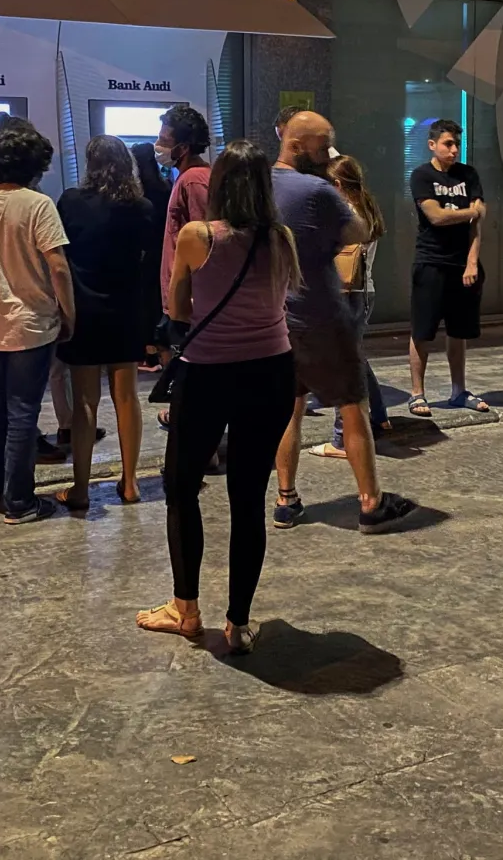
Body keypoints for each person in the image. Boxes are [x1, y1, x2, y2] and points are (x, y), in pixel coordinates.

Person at [136, 140, 300, 652]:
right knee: (248, 498)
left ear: (220, 184)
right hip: (272, 372)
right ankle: (239, 624)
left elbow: (179, 310)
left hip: (208, 374)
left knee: (182, 488)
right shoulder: (282, 238)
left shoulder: (197, 235)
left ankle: (185, 611)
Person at [272, 111, 420, 533]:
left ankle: (285, 500)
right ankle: (371, 503)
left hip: (278, 316)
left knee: (289, 410)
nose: (328, 156)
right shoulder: (318, 190)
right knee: (353, 406)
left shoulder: (260, 185)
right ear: (297, 145)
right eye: (322, 148)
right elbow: (361, 231)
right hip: (322, 314)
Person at [0, 117, 77, 525]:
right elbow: (58, 267)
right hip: (31, 324)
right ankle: (20, 501)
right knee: (23, 410)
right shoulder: (37, 204)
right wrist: (68, 314)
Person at [54, 135, 154, 506]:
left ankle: (80, 488)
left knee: (84, 402)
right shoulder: (141, 207)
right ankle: (130, 483)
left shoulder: (71, 201)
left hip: (84, 310)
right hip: (126, 309)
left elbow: (62, 253)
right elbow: (146, 257)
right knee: (126, 397)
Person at [309, 154, 391, 458]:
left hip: (345, 294)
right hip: (363, 291)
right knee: (355, 358)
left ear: (338, 184)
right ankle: (378, 416)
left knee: (342, 366)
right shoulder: (367, 207)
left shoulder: (345, 214)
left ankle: (341, 439)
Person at [407, 118, 490, 416]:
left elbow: (477, 225)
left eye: (457, 144)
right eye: (448, 144)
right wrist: (472, 211)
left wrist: (472, 262)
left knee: (459, 330)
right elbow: (436, 216)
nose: (454, 150)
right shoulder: (422, 176)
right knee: (422, 330)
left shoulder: (468, 174)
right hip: (431, 262)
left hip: (462, 264)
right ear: (432, 144)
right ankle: (417, 393)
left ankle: (459, 391)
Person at [155, 105, 213, 431]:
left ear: (184, 146)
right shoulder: (188, 177)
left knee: (192, 371)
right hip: (183, 295)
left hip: (190, 299)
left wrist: (190, 295)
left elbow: (205, 241)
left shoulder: (194, 180)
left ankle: (197, 435)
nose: (159, 145)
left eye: (165, 140)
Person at [132, 141, 171, 373]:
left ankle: (146, 352)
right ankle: (160, 349)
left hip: (144, 256)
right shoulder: (166, 187)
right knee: (158, 302)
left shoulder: (137, 195)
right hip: (163, 252)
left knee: (144, 303)